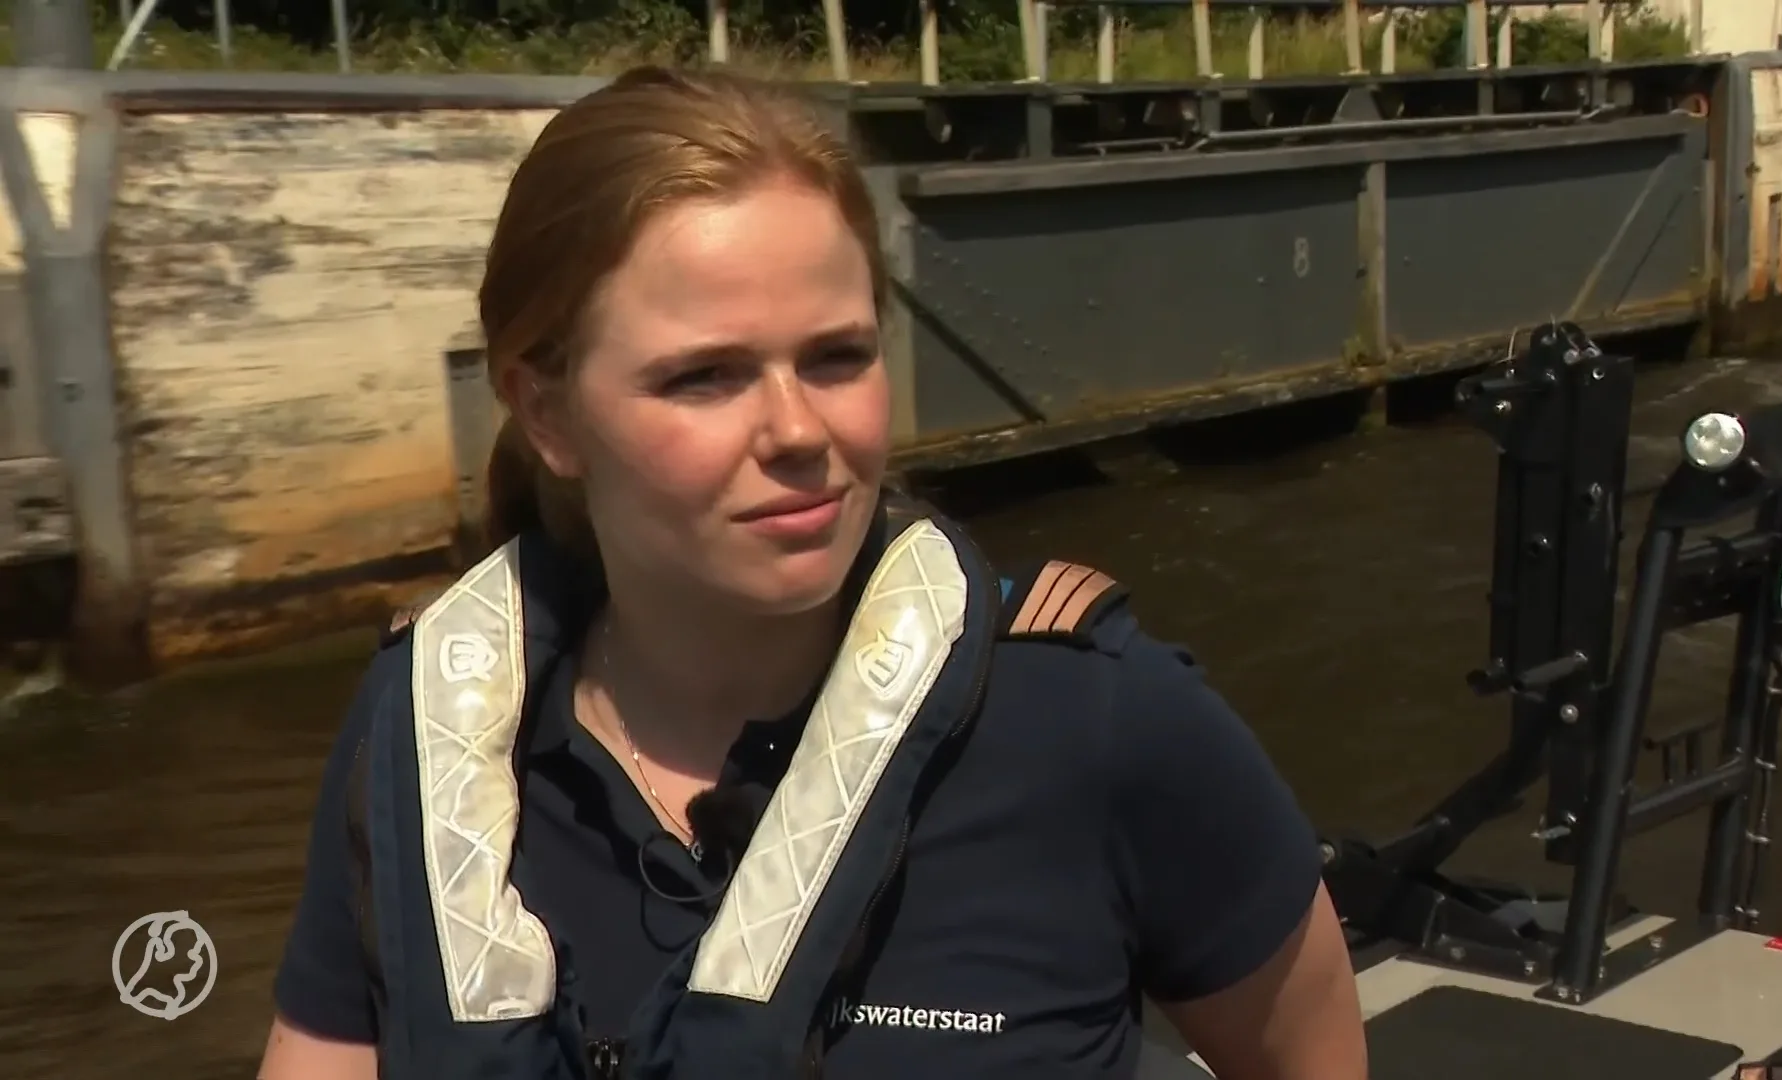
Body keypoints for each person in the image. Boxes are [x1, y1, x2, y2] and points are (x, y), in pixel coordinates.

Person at [257, 65, 1367, 1080]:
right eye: (705, 377)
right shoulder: (421, 743)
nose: (797, 429)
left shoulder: (1099, 720)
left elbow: (1308, 1058)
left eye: (837, 356)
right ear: (546, 412)